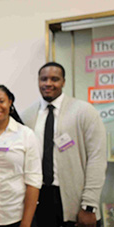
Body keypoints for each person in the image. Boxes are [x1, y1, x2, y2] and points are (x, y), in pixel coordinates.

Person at [21, 62, 107, 227]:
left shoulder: (84, 111)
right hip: (39, 198)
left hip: (74, 200)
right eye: (44, 79)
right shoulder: (28, 115)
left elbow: (97, 159)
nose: (48, 83)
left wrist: (89, 205)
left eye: (55, 79)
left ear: (63, 82)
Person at [0, 84, 42, 227]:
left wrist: (26, 223)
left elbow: (33, 181)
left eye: (1, 101)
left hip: (15, 217)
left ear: (10, 102)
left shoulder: (26, 135)